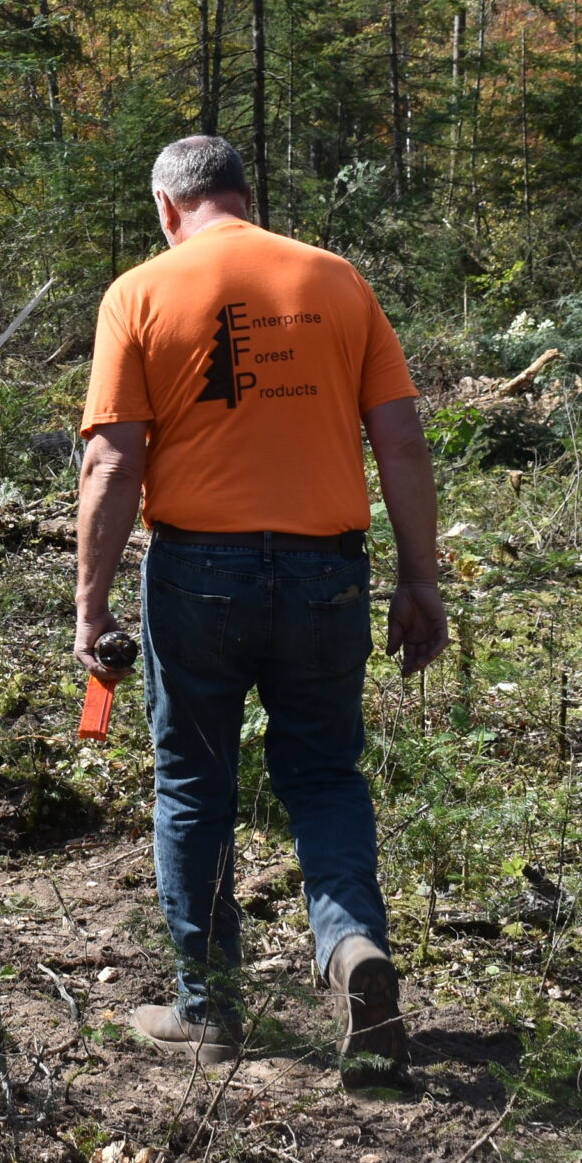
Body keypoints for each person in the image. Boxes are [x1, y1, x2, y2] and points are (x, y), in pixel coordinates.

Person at [75, 134, 448, 1084]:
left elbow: (114, 461)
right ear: (244, 197)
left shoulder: (142, 291)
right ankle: (352, 947)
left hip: (198, 570)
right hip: (328, 572)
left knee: (197, 784)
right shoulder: (336, 279)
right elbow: (401, 439)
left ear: (169, 208)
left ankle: (210, 1011)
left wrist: (91, 606)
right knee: (323, 775)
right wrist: (419, 579)